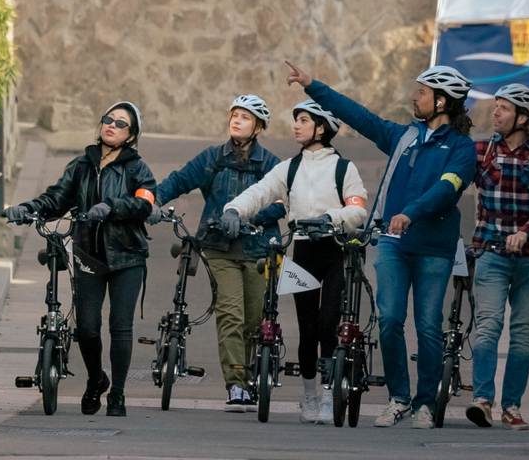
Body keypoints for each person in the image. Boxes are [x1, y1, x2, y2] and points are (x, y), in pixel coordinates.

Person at [286, 61, 476, 429]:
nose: (413, 97)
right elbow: (358, 116)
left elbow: (447, 188)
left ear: (441, 102)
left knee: (427, 325)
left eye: (421, 92)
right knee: (389, 319)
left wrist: (411, 212)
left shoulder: (462, 148)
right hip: (392, 244)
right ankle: (398, 398)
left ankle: (425, 403)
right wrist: (312, 86)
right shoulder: (403, 136)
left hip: (434, 248)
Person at [3, 101, 155, 418]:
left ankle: (118, 395)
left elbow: (144, 205)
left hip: (128, 257)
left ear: (131, 135)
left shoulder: (138, 169)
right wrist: (28, 209)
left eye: (121, 123)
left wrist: (112, 207)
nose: (111, 125)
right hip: (88, 256)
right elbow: (56, 198)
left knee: (120, 326)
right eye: (107, 119)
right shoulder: (80, 166)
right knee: (86, 328)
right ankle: (97, 379)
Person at [221, 99, 368, 425]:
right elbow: (258, 192)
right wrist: (233, 209)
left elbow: (358, 209)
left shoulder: (344, 168)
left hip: (334, 252)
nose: (296, 125)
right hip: (302, 253)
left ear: (322, 128)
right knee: (307, 330)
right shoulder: (288, 168)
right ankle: (309, 396)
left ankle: (331, 397)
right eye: (296, 120)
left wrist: (329, 218)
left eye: (303, 120)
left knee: (329, 326)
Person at [147, 95, 285, 413]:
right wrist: (152, 201)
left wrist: (249, 217)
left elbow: (282, 203)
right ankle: (237, 386)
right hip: (219, 248)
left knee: (255, 321)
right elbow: (179, 180)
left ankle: (252, 381)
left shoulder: (272, 164)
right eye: (234, 115)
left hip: (261, 250)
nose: (236, 120)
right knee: (231, 316)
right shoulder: (213, 158)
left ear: (259, 127)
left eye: (245, 117)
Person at [464, 84, 529, 431]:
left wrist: (526, 231)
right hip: (491, 253)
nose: (496, 114)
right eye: (496, 107)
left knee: (523, 332)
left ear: (522, 117)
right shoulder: (481, 151)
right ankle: (483, 400)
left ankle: (512, 406)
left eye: (504, 109)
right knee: (488, 325)